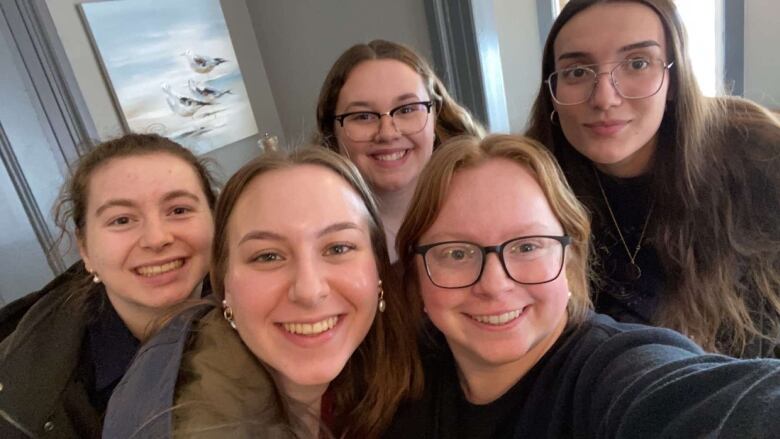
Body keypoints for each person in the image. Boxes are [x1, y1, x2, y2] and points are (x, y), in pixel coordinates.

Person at [387, 134, 780, 438]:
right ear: (417, 272)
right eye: (456, 253)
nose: (494, 284)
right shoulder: (397, 380)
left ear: (570, 260)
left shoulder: (609, 372)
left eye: (527, 246)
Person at [103, 147, 422, 438]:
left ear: (378, 267)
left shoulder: (408, 363)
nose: (309, 290)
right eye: (268, 256)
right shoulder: (192, 422)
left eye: (338, 247)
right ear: (224, 284)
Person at [525, 0, 780, 357]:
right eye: (577, 72)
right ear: (553, 92)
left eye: (638, 63)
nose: (604, 98)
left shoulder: (759, 157)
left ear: (673, 81)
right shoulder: (530, 188)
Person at [0, 133, 217, 438]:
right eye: (122, 220)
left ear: (215, 220)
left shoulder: (270, 319)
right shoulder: (26, 391)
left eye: (179, 210)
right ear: (85, 248)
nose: (157, 238)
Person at [316, 39, 485, 260]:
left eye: (406, 109)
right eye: (363, 116)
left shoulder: (486, 204)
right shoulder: (317, 235)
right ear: (332, 131)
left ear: (436, 116)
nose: (387, 133)